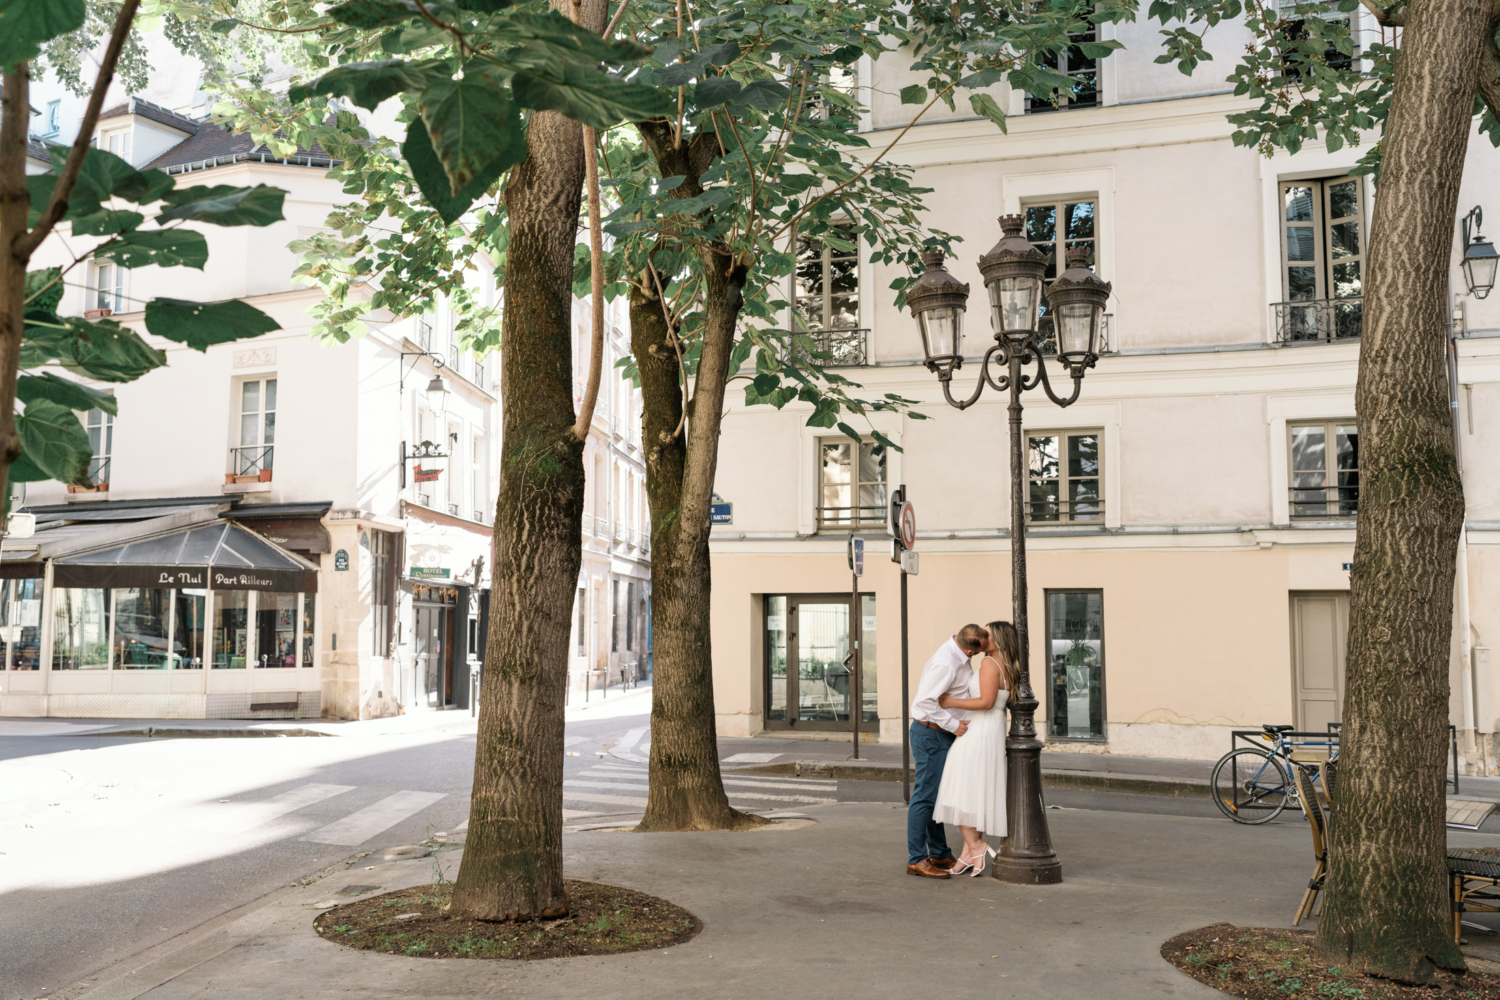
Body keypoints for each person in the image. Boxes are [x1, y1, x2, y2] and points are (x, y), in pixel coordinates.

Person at [931, 621, 1021, 876]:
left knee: (957, 789)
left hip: (979, 731)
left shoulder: (989, 664)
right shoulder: (1005, 665)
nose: (980, 636)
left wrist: (950, 701)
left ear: (997, 640)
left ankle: (977, 845)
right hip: (990, 730)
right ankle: (968, 855)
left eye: (986, 634)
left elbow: (986, 702)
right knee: (974, 793)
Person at [906, 623, 990, 878]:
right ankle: (917, 859)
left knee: (937, 796)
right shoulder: (946, 663)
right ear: (969, 651)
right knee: (925, 796)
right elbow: (924, 702)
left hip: (939, 734)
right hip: (931, 733)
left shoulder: (958, 654)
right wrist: (954, 725)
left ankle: (940, 853)